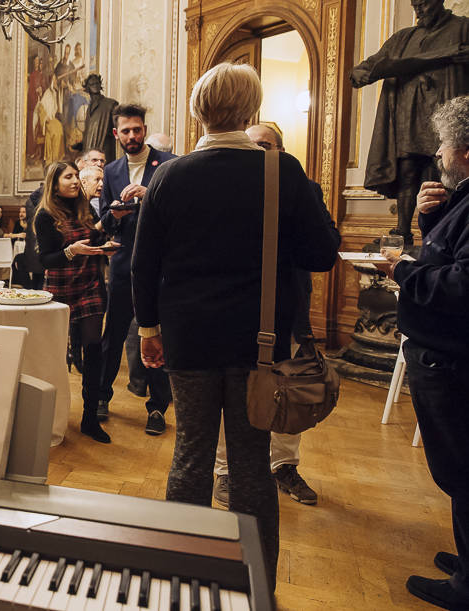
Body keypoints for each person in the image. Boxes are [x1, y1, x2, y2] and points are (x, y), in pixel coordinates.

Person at [131, 63, 340, 591]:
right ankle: (256, 584)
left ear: (199, 111)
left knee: (191, 455)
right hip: (260, 338)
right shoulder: (280, 171)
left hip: (188, 335)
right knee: (249, 464)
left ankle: (179, 578)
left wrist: (148, 332)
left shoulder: (169, 174)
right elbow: (320, 253)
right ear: (251, 112)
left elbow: (143, 263)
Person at [380, 94, 469, 611]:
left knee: (464, 471)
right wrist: (426, 219)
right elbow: (446, 252)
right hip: (446, 354)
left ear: (466, 152)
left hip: (454, 361)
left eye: (444, 145)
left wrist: (402, 269)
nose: (438, 154)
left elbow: (462, 284)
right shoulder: (462, 199)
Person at [213, 123, 327, 509]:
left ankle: (284, 466)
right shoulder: (229, 188)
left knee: (287, 389)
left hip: (287, 307)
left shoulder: (303, 188)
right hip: (236, 310)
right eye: (252, 145)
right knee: (235, 393)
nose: (258, 151)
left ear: (281, 150)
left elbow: (324, 246)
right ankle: (226, 472)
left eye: (266, 145)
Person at [351, 0, 469, 243]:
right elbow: (368, 67)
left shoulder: (462, 28)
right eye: (415, 7)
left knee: (444, 171)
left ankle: (443, 231)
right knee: (407, 171)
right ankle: (402, 231)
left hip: (445, 115)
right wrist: (362, 73)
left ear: (439, 0)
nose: (419, 13)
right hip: (408, 114)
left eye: (424, 6)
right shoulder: (405, 37)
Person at [98, 103, 176, 435]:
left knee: (156, 336)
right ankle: (100, 397)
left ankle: (157, 408)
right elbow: (103, 222)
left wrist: (150, 195)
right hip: (122, 265)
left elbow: (177, 215)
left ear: (144, 129)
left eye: (138, 129)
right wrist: (114, 215)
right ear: (117, 135)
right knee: (112, 337)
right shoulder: (112, 171)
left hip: (159, 268)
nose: (133, 135)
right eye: (126, 131)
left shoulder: (168, 165)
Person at [35, 161, 117, 444]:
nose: (74, 181)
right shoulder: (45, 216)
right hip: (60, 290)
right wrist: (71, 250)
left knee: (94, 350)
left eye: (75, 176)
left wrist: (105, 243)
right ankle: (52, 414)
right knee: (56, 355)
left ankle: (90, 418)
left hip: (90, 286)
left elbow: (93, 240)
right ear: (54, 183)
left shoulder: (85, 210)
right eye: (67, 177)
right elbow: (46, 260)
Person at [81, 73, 119, 163]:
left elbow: (118, 129)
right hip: (90, 154)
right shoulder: (89, 109)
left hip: (104, 150)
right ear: (87, 87)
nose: (95, 86)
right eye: (92, 84)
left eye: (97, 83)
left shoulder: (111, 104)